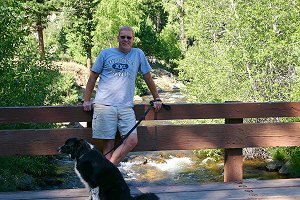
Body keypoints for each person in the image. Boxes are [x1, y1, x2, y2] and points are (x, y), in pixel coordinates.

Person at [83, 26, 162, 165]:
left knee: (132, 140)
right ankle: (108, 178)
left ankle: (107, 171)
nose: (126, 40)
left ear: (133, 39)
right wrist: (86, 100)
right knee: (109, 144)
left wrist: (157, 98)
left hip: (126, 107)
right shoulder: (106, 53)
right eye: (123, 37)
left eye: (129, 37)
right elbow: (92, 77)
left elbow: (147, 77)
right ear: (118, 38)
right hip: (104, 105)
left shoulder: (138, 54)